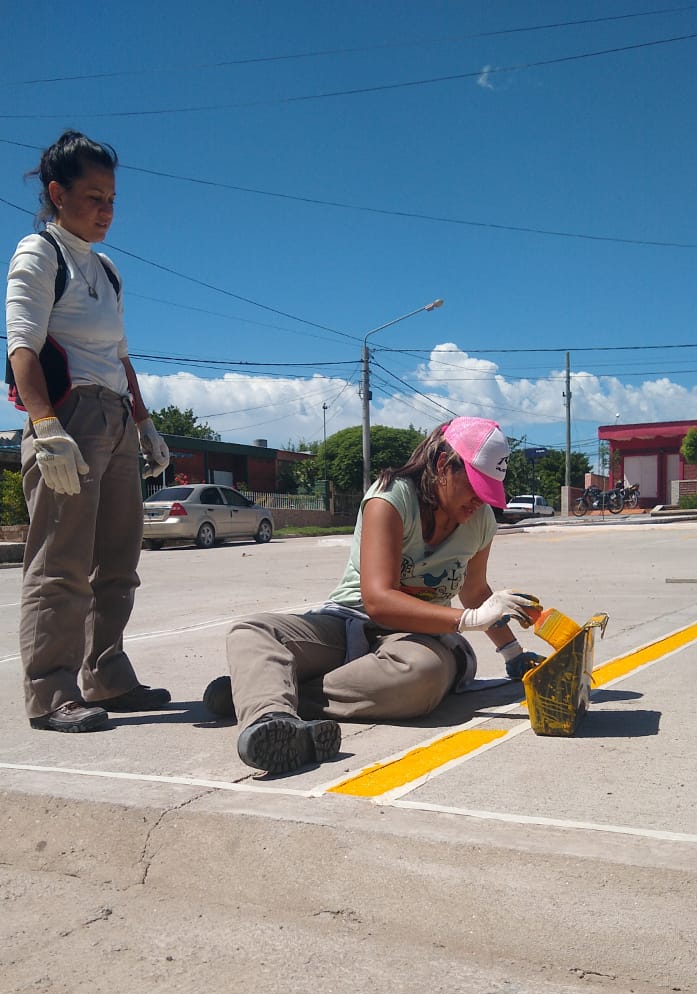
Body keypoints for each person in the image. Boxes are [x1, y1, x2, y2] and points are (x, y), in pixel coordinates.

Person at [204, 416, 542, 775]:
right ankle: (270, 718)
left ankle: (265, 692)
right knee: (252, 632)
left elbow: (475, 591)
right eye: (474, 486)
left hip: (420, 637)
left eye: (488, 491)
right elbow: (378, 600)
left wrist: (512, 655)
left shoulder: (481, 521)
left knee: (422, 673)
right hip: (351, 620)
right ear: (443, 464)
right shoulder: (391, 498)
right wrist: (468, 620)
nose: (479, 501)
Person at [6, 130, 172, 732]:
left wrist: (146, 422)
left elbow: (120, 354)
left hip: (117, 418)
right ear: (57, 193)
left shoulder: (106, 268)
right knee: (60, 563)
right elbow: (22, 347)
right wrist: (45, 426)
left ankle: (106, 674)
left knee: (118, 560)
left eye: (112, 199)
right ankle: (52, 692)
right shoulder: (38, 253)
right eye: (94, 197)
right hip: (69, 418)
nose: (106, 210)